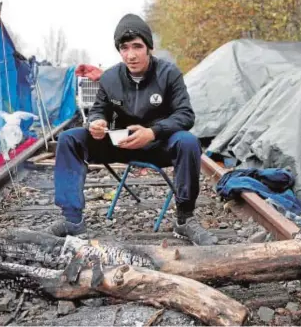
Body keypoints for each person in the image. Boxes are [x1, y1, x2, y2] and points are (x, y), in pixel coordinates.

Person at [47, 14, 218, 246]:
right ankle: (72, 219)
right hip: (119, 143)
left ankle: (185, 219)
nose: (131, 54)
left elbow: (186, 115)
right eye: (124, 48)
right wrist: (96, 123)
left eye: (137, 46)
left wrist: (153, 131)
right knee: (69, 139)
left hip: (158, 144)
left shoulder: (168, 74)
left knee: (188, 141)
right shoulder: (110, 78)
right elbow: (98, 110)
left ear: (149, 48)